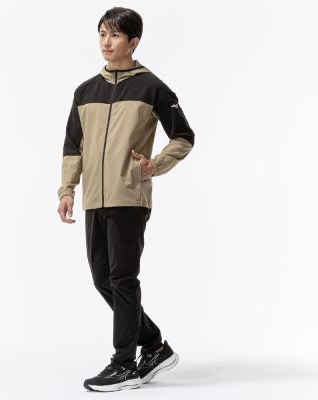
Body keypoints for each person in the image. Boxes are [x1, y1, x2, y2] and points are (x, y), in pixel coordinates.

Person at [57, 6, 195, 392]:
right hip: (94, 199)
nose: (106, 42)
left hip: (129, 196)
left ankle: (124, 364)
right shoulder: (85, 91)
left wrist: (155, 165)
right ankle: (153, 345)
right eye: (102, 34)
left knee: (123, 278)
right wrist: (67, 189)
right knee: (103, 279)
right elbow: (73, 146)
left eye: (115, 35)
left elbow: (184, 136)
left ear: (133, 42)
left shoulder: (152, 88)